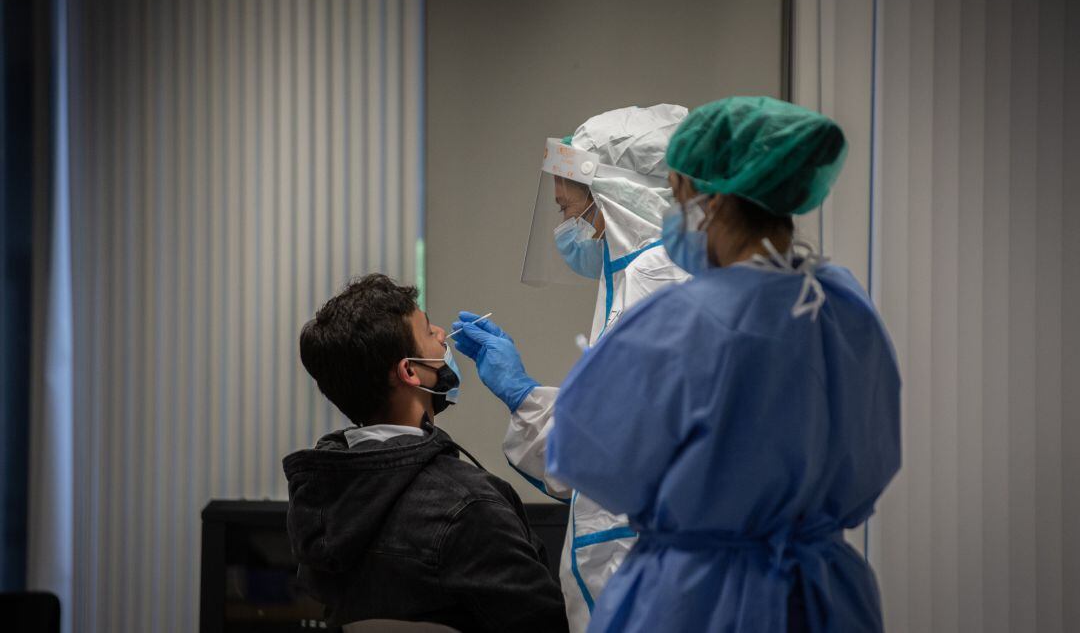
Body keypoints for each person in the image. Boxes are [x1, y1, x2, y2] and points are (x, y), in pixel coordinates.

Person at [545, 96, 902, 632]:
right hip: (825, 596)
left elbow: (583, 458)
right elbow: (875, 458)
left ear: (700, 198)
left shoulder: (683, 319)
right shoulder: (844, 308)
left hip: (698, 598)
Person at [451, 104, 691, 632]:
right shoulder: (638, 285)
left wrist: (522, 396)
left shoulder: (660, 285)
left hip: (652, 583)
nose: (565, 228)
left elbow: (604, 451)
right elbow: (614, 429)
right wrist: (526, 397)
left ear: (620, 198)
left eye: (568, 210)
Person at [283, 274, 568, 632]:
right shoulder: (470, 507)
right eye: (428, 331)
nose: (441, 334)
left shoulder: (321, 498)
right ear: (409, 370)